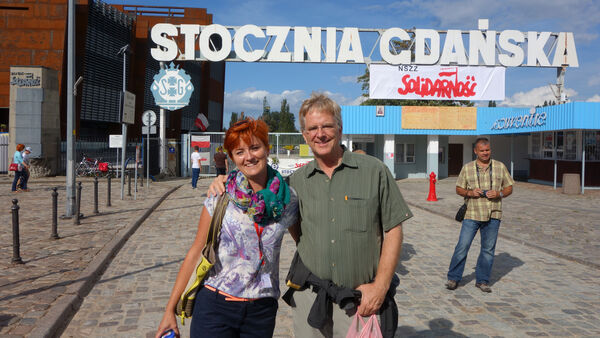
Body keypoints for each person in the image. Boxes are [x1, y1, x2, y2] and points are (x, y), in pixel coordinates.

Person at [210, 93, 412, 337]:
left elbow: (393, 230)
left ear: (339, 127)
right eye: (312, 128)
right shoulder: (296, 183)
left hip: (361, 299)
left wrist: (381, 286)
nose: (320, 133)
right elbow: (296, 231)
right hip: (310, 298)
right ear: (304, 135)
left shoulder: (374, 171)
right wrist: (225, 180)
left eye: (327, 125)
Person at [156, 118, 298, 338]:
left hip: (261, 312)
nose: (249, 157)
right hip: (215, 308)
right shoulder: (220, 195)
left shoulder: (288, 200)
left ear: (267, 149)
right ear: (231, 158)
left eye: (254, 147)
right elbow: (196, 251)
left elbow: (305, 245)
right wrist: (169, 309)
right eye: (239, 152)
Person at [445, 137, 514, 293]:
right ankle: (453, 278)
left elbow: (509, 188)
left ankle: (482, 281)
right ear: (475, 151)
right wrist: (470, 192)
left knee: (488, 249)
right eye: (482, 150)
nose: (485, 153)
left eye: (487, 150)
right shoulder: (467, 168)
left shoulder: (500, 167)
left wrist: (499, 193)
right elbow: (458, 189)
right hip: (472, 213)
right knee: (462, 246)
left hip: (493, 214)